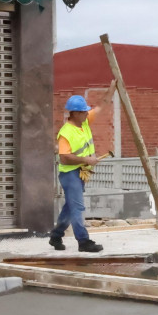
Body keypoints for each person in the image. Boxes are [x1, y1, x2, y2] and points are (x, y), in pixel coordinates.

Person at [49, 95, 104, 253]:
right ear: (76, 113)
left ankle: (56, 235)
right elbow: (64, 158)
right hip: (70, 174)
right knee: (77, 207)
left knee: (69, 207)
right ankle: (83, 241)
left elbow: (102, 107)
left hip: (78, 173)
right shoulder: (66, 133)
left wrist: (111, 90)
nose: (88, 113)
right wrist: (86, 159)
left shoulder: (84, 123)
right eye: (84, 111)